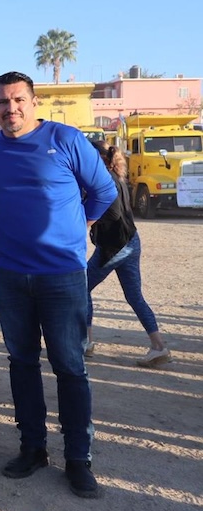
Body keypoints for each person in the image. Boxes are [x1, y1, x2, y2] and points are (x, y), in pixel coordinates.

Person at [0, 71, 116, 498]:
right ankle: (32, 447)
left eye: (18, 100)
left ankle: (78, 458)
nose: (10, 108)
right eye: (2, 102)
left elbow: (104, 191)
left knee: (69, 366)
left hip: (62, 275)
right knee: (22, 363)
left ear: (34, 103)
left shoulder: (66, 140)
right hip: (10, 274)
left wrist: (80, 224)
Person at [85, 142, 169, 368]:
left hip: (115, 246)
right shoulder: (116, 176)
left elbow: (112, 213)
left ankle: (86, 342)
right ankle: (158, 346)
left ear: (98, 158)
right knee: (134, 297)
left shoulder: (104, 180)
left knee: (82, 287)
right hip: (130, 241)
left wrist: (87, 219)